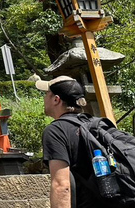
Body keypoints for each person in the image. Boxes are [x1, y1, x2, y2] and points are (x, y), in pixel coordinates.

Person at [37, 75, 90, 208]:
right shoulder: (96, 124)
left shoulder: (56, 131)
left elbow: (61, 186)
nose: (44, 98)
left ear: (56, 99)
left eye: (47, 94)